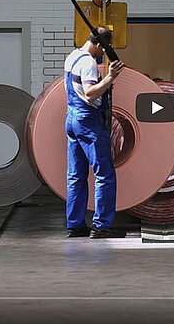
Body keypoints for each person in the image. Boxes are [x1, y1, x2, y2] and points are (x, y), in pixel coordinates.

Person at [63, 27, 126, 238]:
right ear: (100, 45)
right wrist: (110, 77)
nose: (106, 53)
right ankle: (101, 226)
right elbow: (90, 94)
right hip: (88, 121)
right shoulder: (89, 62)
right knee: (105, 174)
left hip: (72, 118)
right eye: (106, 48)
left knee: (76, 175)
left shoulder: (73, 56)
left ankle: (75, 224)